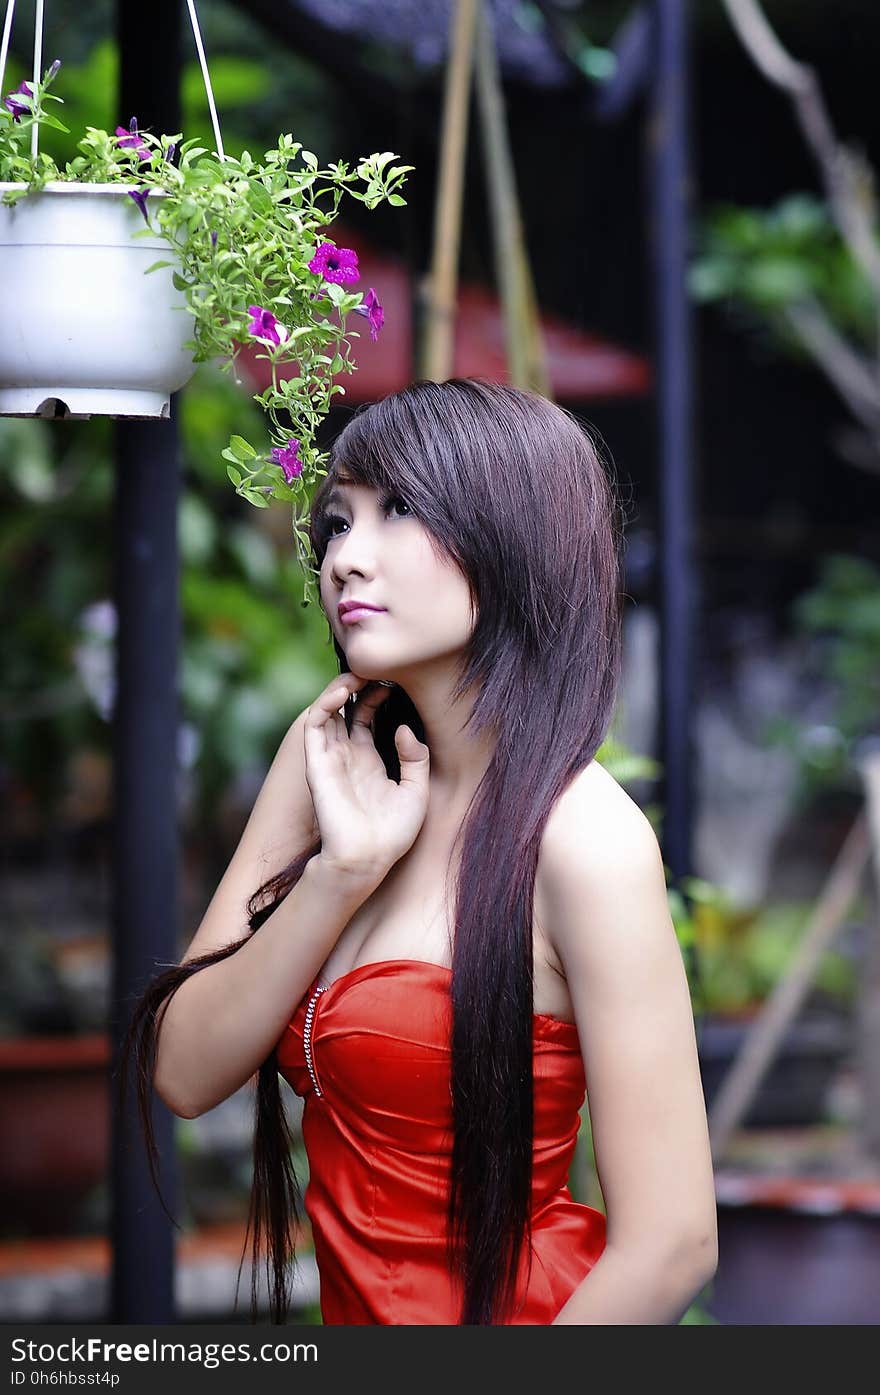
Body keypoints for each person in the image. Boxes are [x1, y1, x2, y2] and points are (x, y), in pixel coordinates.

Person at [121, 378, 718, 1326]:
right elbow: (184, 1072)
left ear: (513, 536)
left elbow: (673, 1242)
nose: (346, 559)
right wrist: (339, 877)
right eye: (336, 522)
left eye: (398, 511)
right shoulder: (327, 757)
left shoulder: (583, 839)